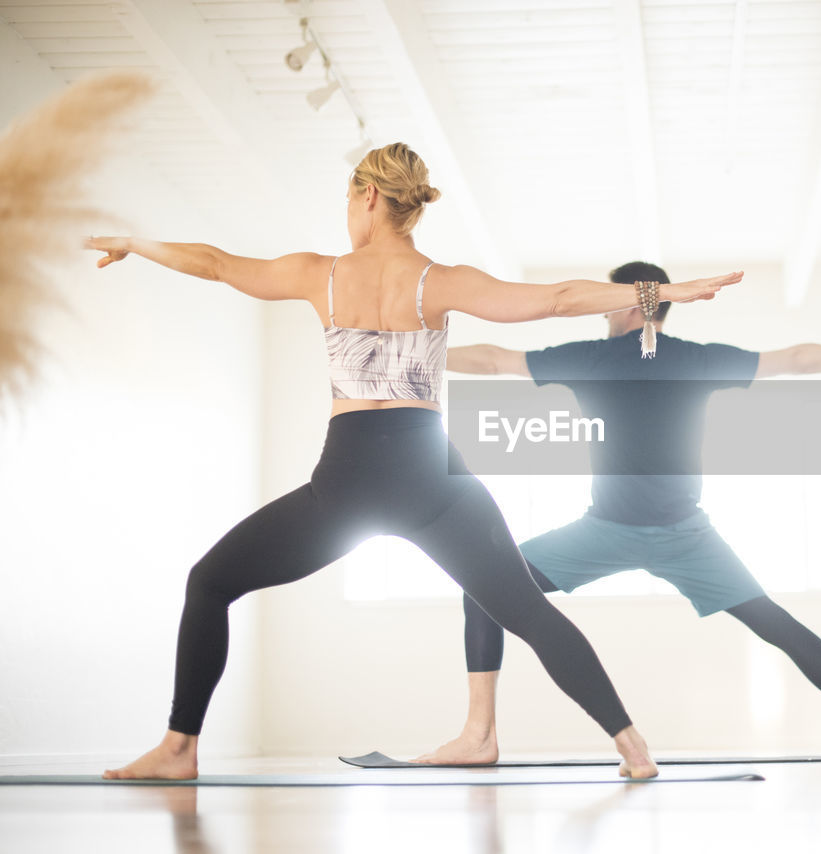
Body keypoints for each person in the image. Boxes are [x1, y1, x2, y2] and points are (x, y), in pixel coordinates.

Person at [85, 144, 741, 780]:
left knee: (210, 582)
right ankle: (634, 746)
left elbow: (216, 264)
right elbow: (558, 298)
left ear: (368, 196)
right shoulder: (441, 282)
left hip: (346, 484)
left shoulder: (322, 274)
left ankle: (178, 747)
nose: (347, 213)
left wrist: (137, 244)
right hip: (433, 480)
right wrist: (665, 292)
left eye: (348, 199)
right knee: (529, 612)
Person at [420, 261, 821, 765]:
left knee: (484, 590)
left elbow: (492, 360)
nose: (604, 316)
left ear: (629, 305)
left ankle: (479, 735)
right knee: (773, 622)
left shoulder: (592, 358)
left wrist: (413, 350)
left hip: (617, 532)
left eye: (609, 305)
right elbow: (797, 359)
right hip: (679, 535)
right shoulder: (695, 358)